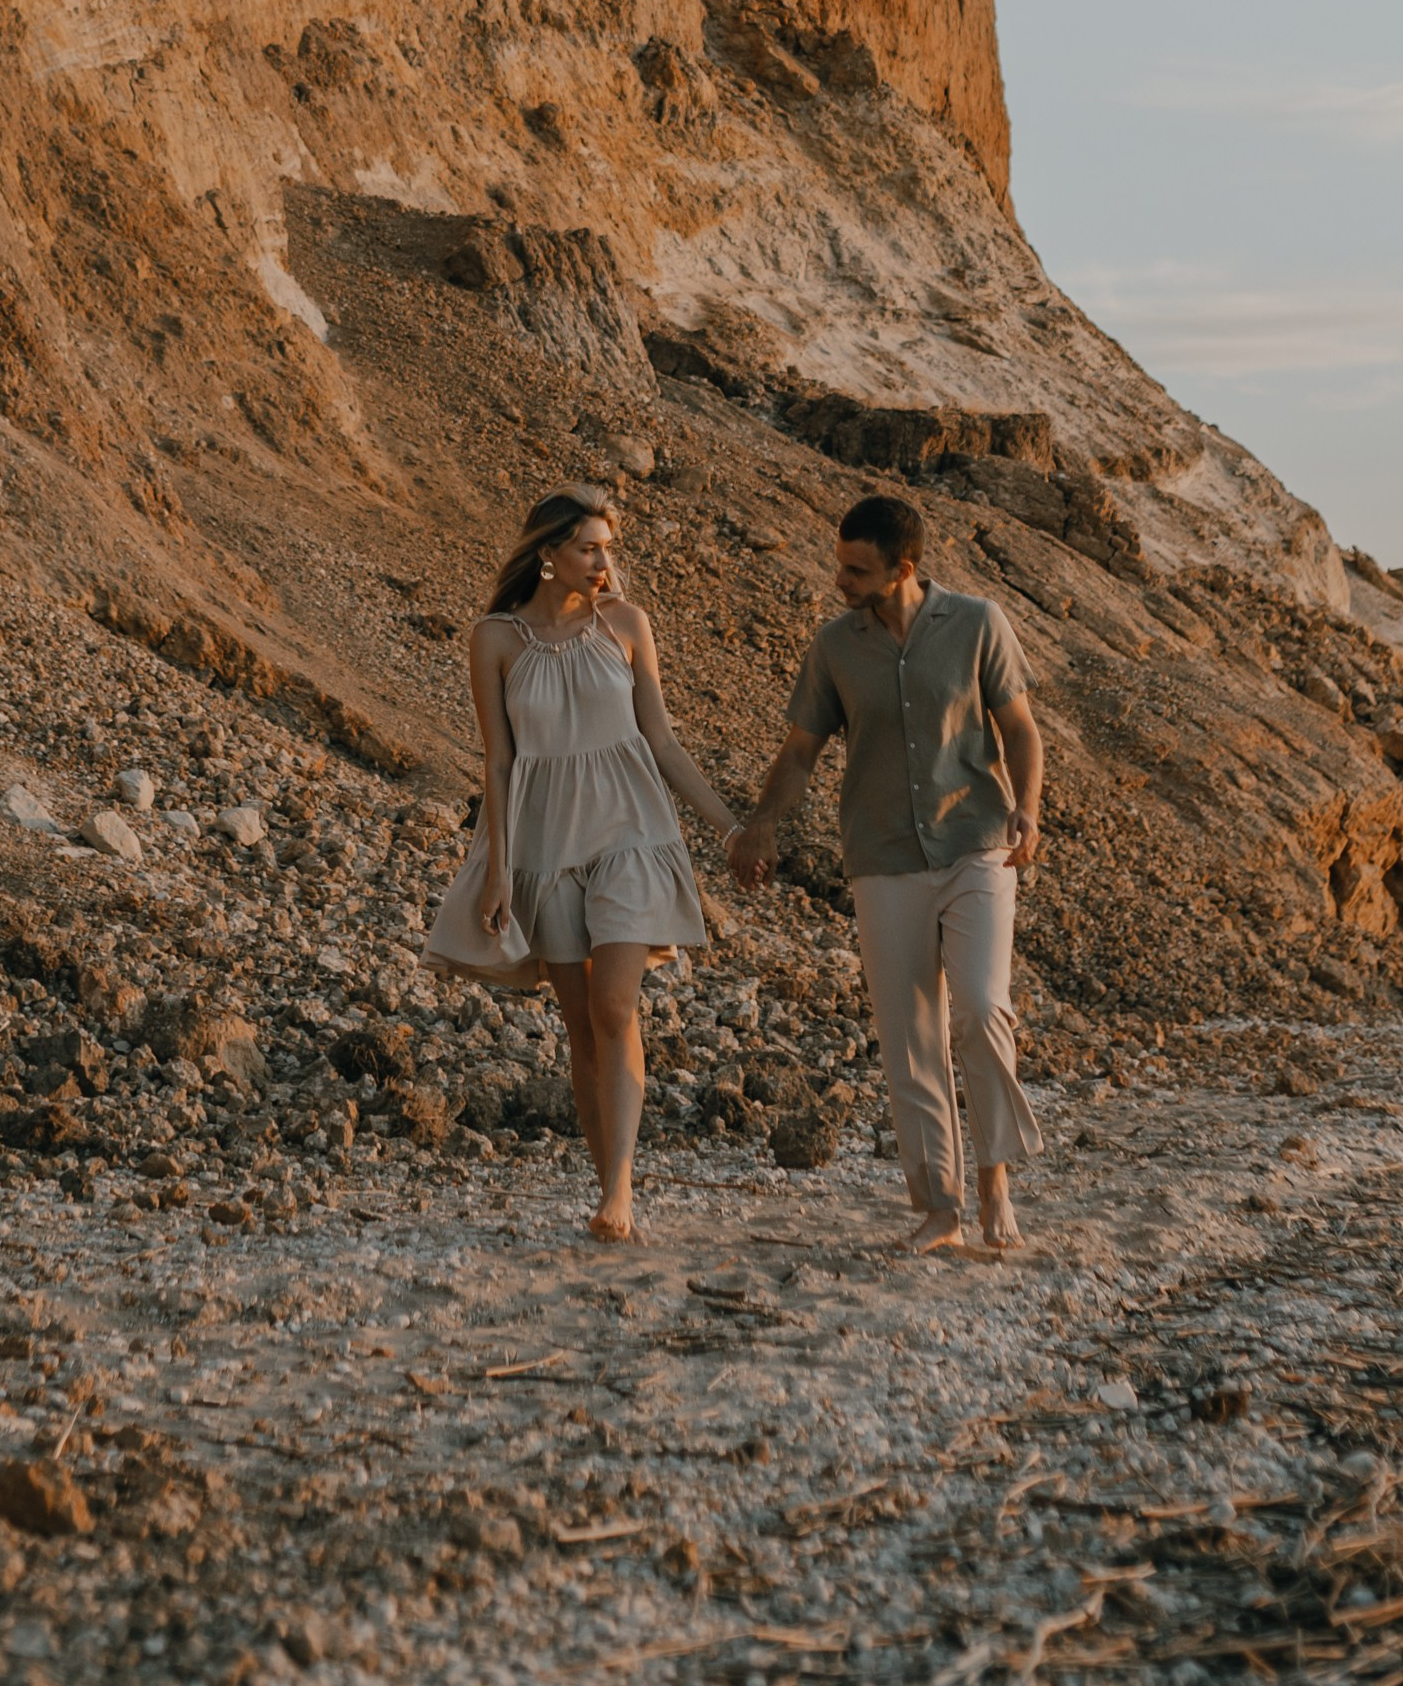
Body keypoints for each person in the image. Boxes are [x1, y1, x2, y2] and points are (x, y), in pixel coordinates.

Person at [728, 491, 1044, 1254]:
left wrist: (1028, 809)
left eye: (856, 571)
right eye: (839, 565)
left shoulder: (978, 623)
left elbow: (1021, 729)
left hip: (976, 844)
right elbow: (800, 750)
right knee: (910, 1038)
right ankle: (940, 1209)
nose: (840, 580)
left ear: (904, 569)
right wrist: (764, 820)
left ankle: (996, 1179)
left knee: (981, 1009)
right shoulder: (835, 646)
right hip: (881, 855)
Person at [427, 491, 738, 1241]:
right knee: (580, 1025)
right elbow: (498, 763)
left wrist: (728, 827)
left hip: (629, 833)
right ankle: (608, 1192)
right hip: (544, 846)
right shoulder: (495, 638)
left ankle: (621, 1189)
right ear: (548, 554)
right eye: (589, 548)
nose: (605, 563)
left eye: (607, 548)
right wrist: (499, 872)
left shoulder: (626, 625)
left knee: (614, 1006)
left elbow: (661, 740)